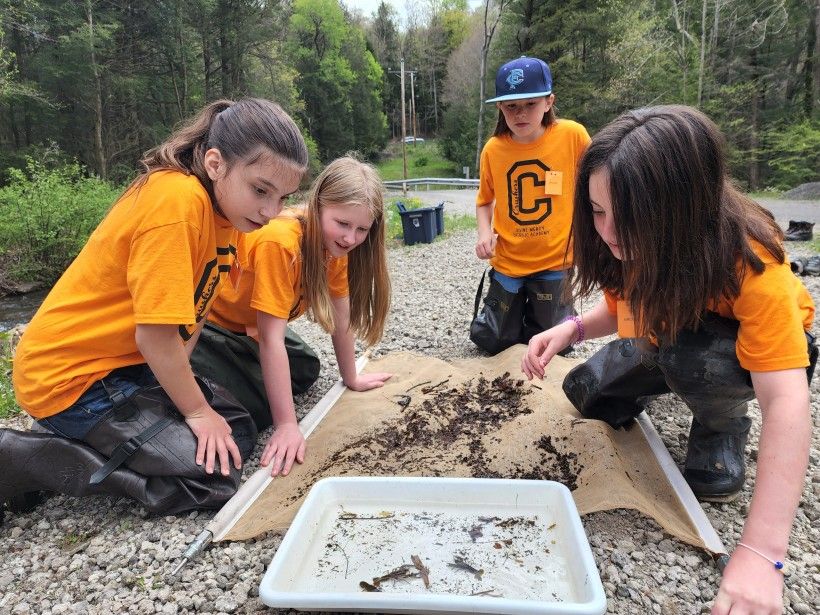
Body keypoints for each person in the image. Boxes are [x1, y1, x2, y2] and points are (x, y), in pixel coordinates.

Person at [521, 105, 815, 614]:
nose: (609, 233)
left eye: (626, 217)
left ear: (683, 207)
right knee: (587, 392)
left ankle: (720, 425)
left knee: (691, 359)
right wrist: (568, 330)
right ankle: (662, 365)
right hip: (665, 325)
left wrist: (763, 555)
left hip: (744, 350)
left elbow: (787, 399)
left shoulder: (752, 259)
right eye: (597, 210)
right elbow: (619, 305)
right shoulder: (626, 242)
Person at [3, 98, 309, 519]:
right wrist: (196, 411)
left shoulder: (231, 216)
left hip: (127, 367)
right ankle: (24, 458)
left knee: (237, 428)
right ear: (216, 163)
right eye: (261, 190)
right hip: (70, 379)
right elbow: (154, 334)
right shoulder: (176, 203)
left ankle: (91, 440)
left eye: (282, 198)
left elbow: (193, 315)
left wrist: (174, 399)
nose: (272, 212)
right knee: (215, 476)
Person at [193, 156, 392, 478]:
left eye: (362, 229)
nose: (351, 238)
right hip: (213, 326)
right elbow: (272, 338)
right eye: (342, 223)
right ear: (317, 206)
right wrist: (287, 425)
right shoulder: (281, 242)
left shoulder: (336, 247)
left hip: (252, 329)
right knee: (256, 410)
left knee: (305, 368)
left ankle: (244, 375)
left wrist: (351, 376)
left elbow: (341, 321)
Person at [470, 55, 591, 354]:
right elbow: (484, 202)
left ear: (549, 102)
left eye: (530, 104)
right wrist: (484, 234)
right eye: (511, 106)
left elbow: (597, 184)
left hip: (555, 260)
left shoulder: (573, 136)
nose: (520, 114)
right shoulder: (493, 149)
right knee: (495, 343)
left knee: (553, 346)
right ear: (500, 107)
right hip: (509, 261)